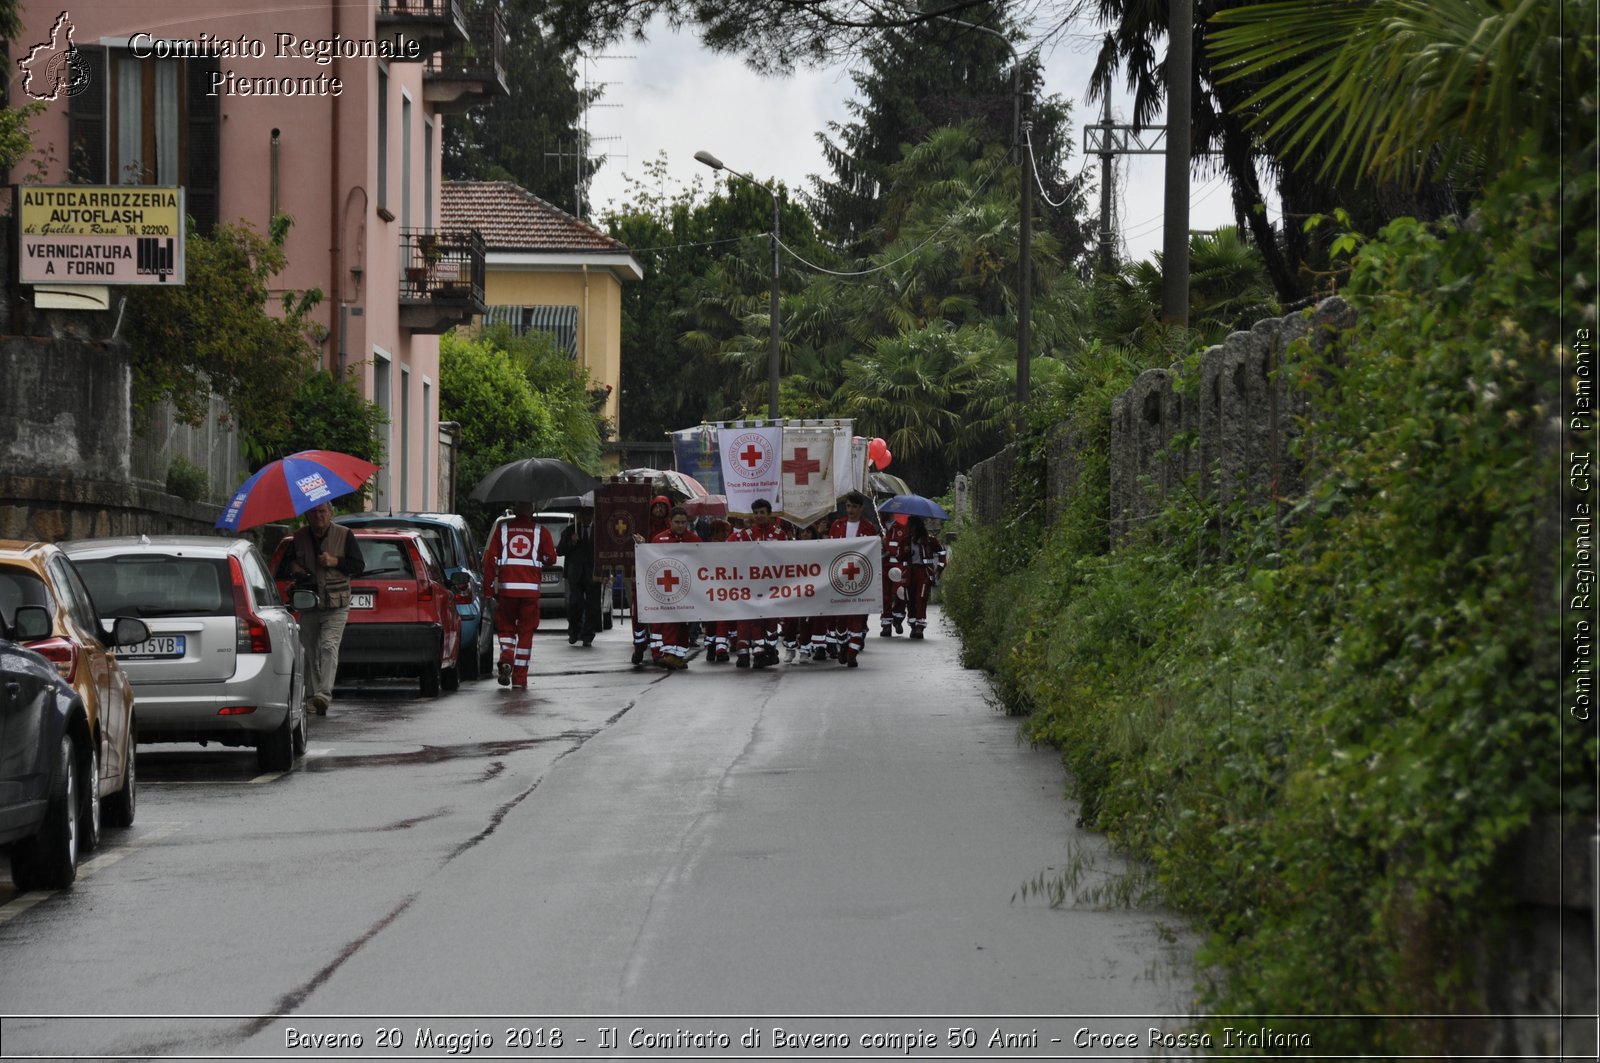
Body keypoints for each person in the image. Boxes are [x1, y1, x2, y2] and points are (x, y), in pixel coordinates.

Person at [276, 501, 365, 715]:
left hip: (336, 604)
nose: (318, 516)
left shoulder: (344, 535)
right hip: (309, 604)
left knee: (328, 647)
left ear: (331, 513)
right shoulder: (298, 538)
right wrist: (293, 568)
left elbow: (358, 566)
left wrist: (335, 561)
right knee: (308, 651)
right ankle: (313, 695)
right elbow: (282, 569)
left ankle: (324, 694)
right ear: (307, 515)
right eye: (314, 512)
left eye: (322, 511)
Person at [482, 500, 558, 689]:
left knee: (506, 627)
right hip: (530, 593)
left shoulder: (503, 529)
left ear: (515, 510)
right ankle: (519, 678)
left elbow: (490, 560)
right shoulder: (541, 531)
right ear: (532, 511)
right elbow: (551, 558)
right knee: (526, 632)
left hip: (507, 591)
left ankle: (507, 657)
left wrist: (488, 590)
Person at [729, 498, 788, 668]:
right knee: (746, 620)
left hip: (771, 587)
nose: (759, 516)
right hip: (749, 586)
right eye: (756, 513)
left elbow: (786, 558)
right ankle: (743, 655)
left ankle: (764, 652)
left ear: (769, 514)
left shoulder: (779, 534)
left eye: (762, 512)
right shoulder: (744, 535)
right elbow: (725, 550)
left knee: (769, 622)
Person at [827, 491, 880, 668]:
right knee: (840, 620)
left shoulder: (869, 528)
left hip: (860, 580)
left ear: (861, 508)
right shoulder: (836, 525)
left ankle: (852, 653)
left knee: (857, 616)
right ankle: (843, 646)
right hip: (838, 580)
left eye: (854, 506)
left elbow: (874, 554)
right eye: (848, 506)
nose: (850, 510)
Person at [648, 506, 702, 671]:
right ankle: (669, 653)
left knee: (683, 623)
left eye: (683, 522)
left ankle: (678, 656)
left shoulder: (694, 540)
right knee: (669, 620)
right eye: (677, 522)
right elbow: (650, 561)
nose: (680, 525)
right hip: (666, 588)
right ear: (669, 522)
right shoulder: (659, 539)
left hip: (688, 590)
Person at [630, 495, 674, 666]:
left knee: (659, 616)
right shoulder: (642, 527)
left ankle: (658, 652)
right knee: (638, 615)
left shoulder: (672, 529)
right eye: (657, 506)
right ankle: (639, 647)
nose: (659, 510)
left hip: (663, 579)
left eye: (663, 506)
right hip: (641, 578)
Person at [556, 506, 602, 647]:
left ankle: (588, 635)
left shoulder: (599, 531)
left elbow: (605, 552)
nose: (586, 517)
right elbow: (559, 551)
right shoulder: (570, 530)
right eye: (583, 513)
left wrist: (606, 573)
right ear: (579, 515)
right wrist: (572, 543)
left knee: (592, 605)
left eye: (589, 513)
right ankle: (574, 630)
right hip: (575, 574)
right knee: (575, 603)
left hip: (594, 573)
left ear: (593, 514)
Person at [904, 515, 948, 639]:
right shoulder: (906, 540)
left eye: (911, 526)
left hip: (924, 573)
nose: (909, 529)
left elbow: (942, 552)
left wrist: (939, 568)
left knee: (920, 598)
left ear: (917, 527)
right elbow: (899, 557)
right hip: (909, 573)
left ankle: (920, 627)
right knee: (910, 600)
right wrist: (905, 552)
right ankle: (913, 625)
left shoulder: (929, 540)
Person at [701, 519, 734, 662]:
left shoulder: (730, 546)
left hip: (723, 588)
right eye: (723, 531)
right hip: (710, 588)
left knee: (722, 619)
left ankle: (720, 648)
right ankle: (712, 647)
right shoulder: (705, 547)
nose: (726, 534)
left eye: (728, 531)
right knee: (711, 620)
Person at [880, 513, 912, 637]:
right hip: (883, 566)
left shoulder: (901, 528)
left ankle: (898, 619)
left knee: (901, 593)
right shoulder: (878, 528)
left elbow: (905, 548)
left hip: (898, 566)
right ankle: (886, 625)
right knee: (885, 596)